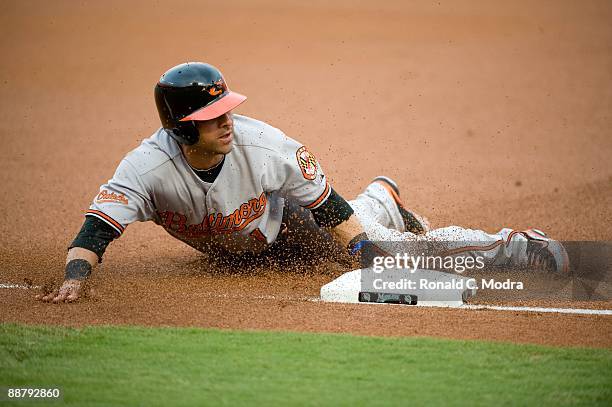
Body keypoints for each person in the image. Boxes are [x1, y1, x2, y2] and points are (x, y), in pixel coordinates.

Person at [38, 62, 569, 303]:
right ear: (181, 126)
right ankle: (382, 196)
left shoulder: (266, 146)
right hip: (236, 252)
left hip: (292, 226)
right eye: (214, 114)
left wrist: (369, 253)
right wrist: (75, 279)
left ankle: (511, 248)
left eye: (228, 110)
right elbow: (97, 227)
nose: (228, 120)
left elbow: (330, 208)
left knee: (379, 251)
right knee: (365, 219)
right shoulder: (146, 167)